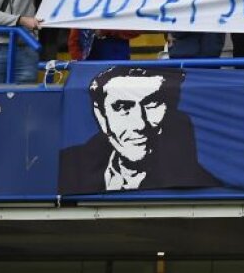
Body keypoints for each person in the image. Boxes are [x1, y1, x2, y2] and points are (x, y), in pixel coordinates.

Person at [59, 66, 220, 193]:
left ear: (171, 107)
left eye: (152, 104)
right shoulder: (68, 166)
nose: (139, 124)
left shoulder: (201, 182)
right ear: (100, 115)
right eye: (122, 107)